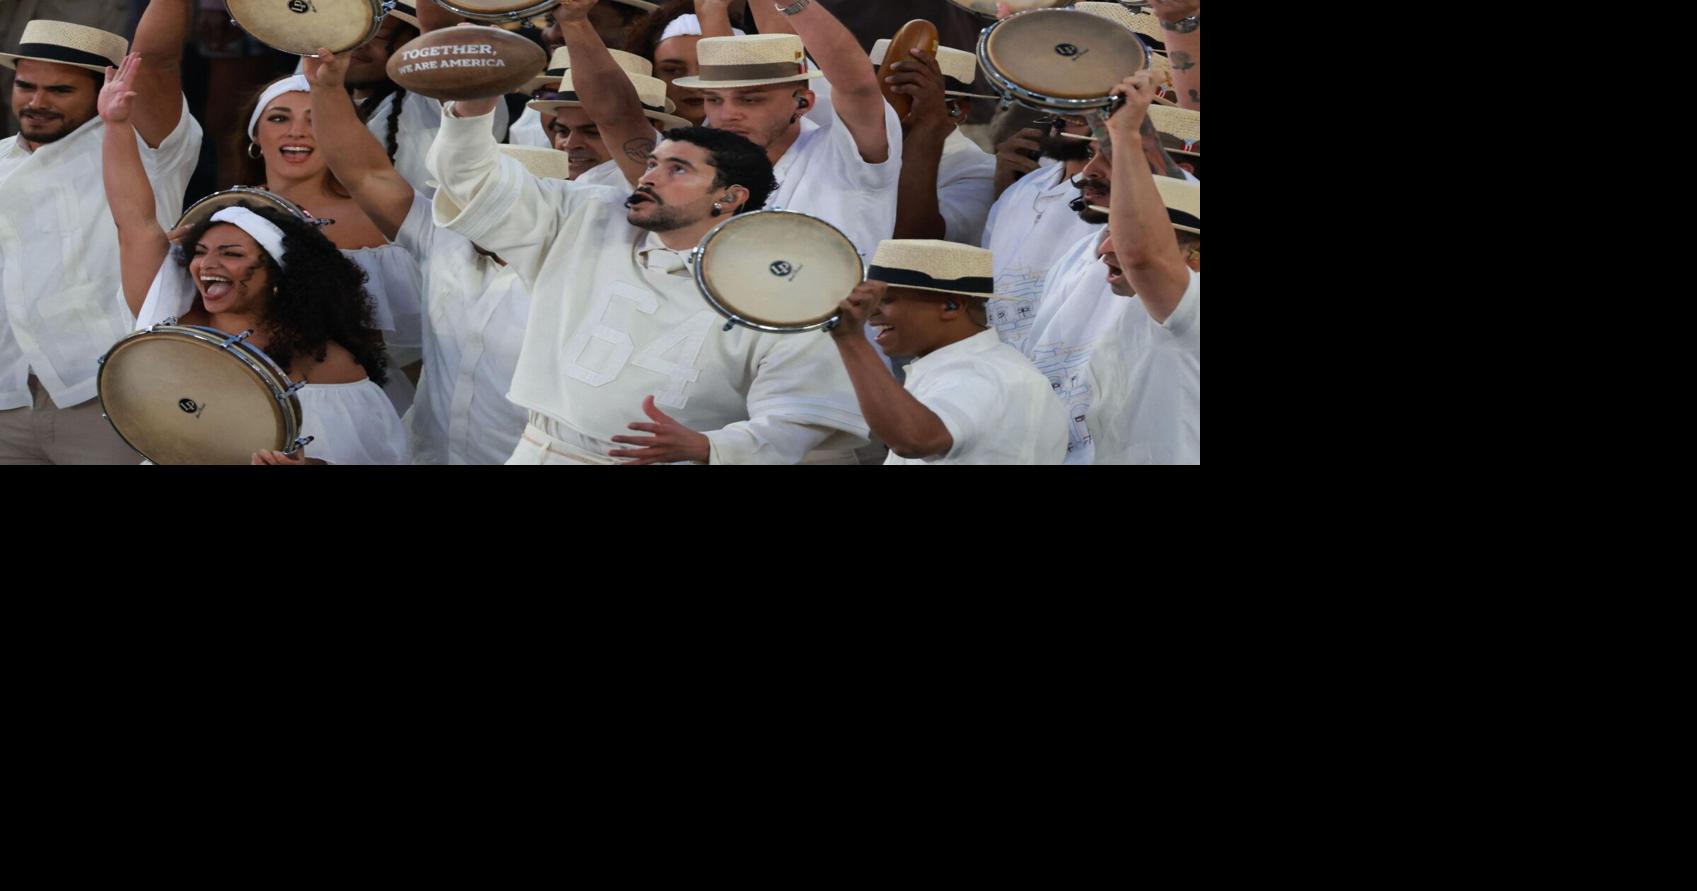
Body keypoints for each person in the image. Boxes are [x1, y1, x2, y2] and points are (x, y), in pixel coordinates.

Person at [426, 82, 868, 464]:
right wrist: (472, 106)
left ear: (729, 197)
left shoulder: (784, 287)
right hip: (543, 450)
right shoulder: (587, 214)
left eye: (678, 170)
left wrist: (712, 447)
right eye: (653, 163)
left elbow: (800, 413)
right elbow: (472, 182)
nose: (649, 178)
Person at [100, 54, 406, 465]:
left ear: (281, 275)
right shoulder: (177, 321)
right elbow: (134, 223)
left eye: (231, 254)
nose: (207, 264)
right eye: (201, 252)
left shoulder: (328, 365)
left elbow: (364, 455)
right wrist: (117, 126)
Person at [306, 45, 551, 465]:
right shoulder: (443, 236)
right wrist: (327, 89)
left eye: (489, 196)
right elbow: (363, 173)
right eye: (470, 193)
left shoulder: (574, 267)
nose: (471, 204)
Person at [0, 4, 201, 463]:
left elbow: (157, 58)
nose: (37, 102)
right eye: (25, 85)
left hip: (111, 393)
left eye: (61, 89)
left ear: (107, 89)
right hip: (7, 397)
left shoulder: (143, 146)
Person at [828, 239, 1065, 464]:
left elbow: (915, 439)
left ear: (951, 306)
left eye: (887, 300)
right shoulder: (970, 365)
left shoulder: (986, 372)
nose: (871, 313)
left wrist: (851, 339)